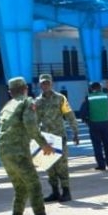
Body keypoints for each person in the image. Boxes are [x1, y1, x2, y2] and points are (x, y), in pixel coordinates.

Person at [0, 77, 66, 215]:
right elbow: (30, 125)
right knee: (34, 188)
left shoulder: (8, 106)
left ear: (10, 92)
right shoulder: (27, 102)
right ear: (25, 89)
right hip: (18, 153)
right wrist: (44, 145)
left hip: (4, 152)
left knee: (21, 190)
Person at [33, 73, 79, 202]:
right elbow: (35, 121)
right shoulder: (37, 101)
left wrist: (75, 131)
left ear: (51, 83)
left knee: (62, 166)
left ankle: (66, 192)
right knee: (49, 167)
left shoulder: (60, 98)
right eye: (43, 83)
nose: (45, 85)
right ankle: (55, 192)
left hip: (59, 138)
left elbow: (69, 115)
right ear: (40, 85)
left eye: (47, 83)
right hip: (45, 139)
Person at [79, 82, 108, 171]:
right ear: (100, 88)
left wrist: (87, 121)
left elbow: (82, 112)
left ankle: (101, 165)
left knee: (97, 145)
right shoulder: (107, 96)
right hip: (106, 123)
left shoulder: (89, 98)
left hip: (94, 124)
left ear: (91, 89)